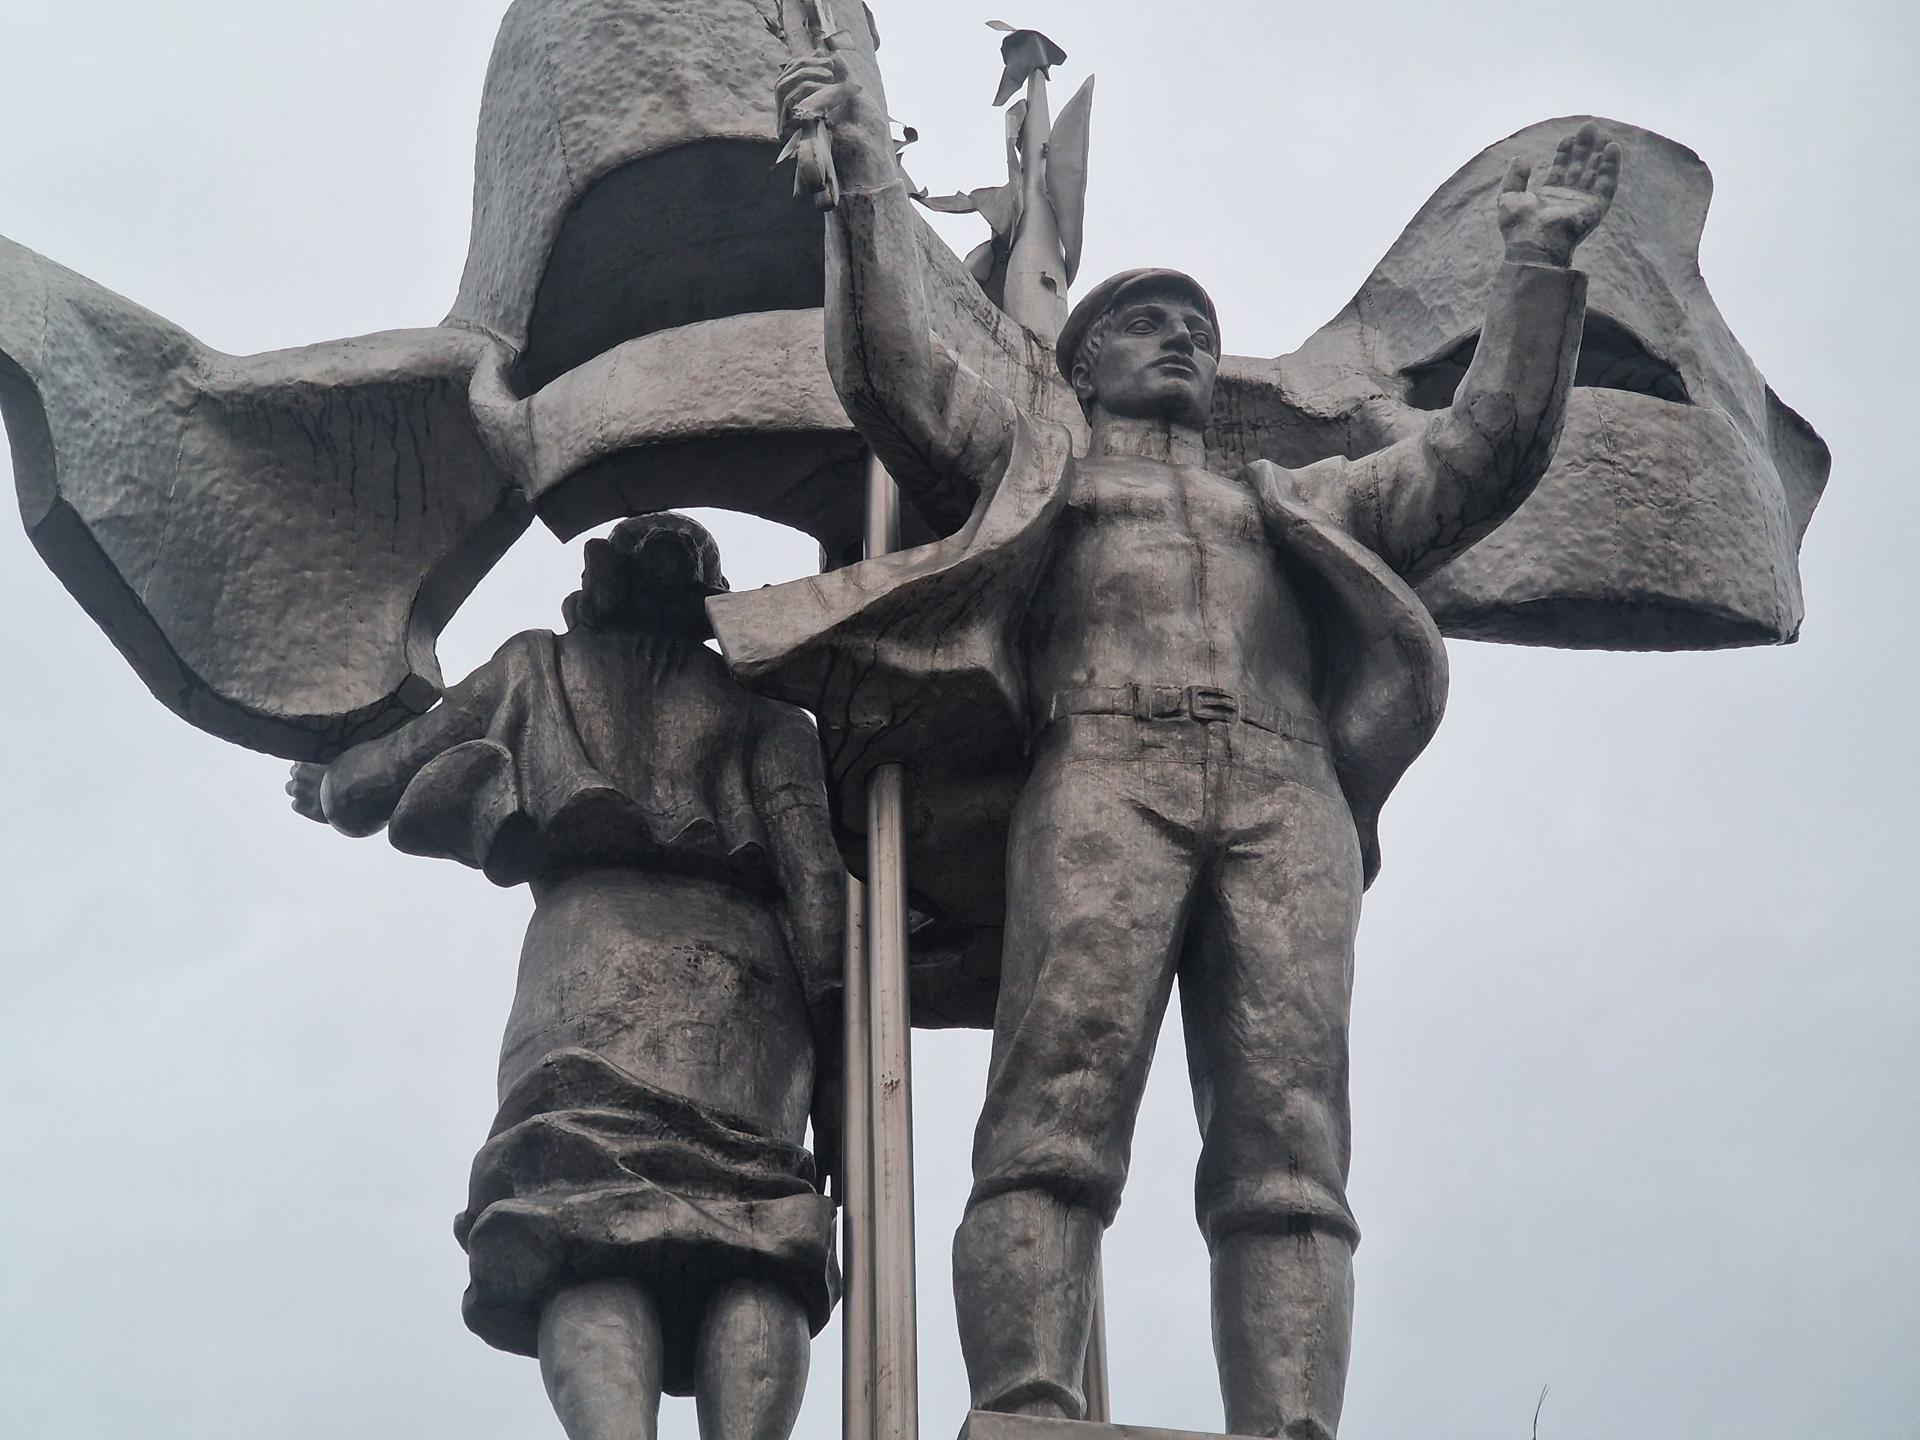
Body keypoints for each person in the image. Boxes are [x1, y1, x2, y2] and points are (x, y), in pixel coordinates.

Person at [710, 47, 1620, 1440]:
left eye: (1197, 322)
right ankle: (1026, 1403)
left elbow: (1480, 454)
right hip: (1104, 773)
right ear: (1081, 366)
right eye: (1146, 322)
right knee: (1056, 1105)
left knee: (1290, 1137)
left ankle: (1290, 1422)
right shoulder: (1046, 473)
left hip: (1285, 791)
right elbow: (895, 369)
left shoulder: (1301, 500)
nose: (1183, 338)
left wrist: (1538, 272)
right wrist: (862, 187)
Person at [290, 513, 844, 1440]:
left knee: (582, 1210)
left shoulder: (533, 666)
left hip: (586, 966)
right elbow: (818, 889)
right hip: (749, 995)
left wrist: (327, 780)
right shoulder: (771, 720)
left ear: (600, 583)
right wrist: (839, 1059)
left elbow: (368, 782)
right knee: (757, 1221)